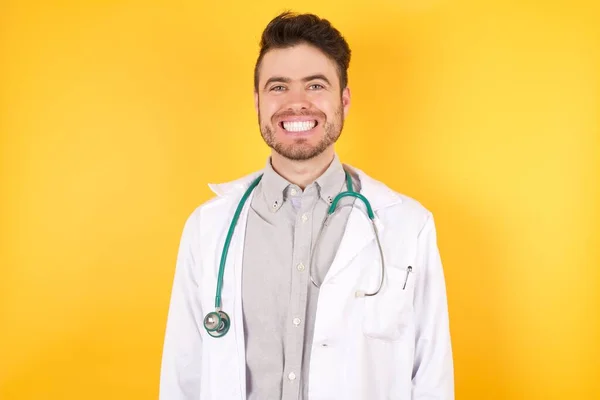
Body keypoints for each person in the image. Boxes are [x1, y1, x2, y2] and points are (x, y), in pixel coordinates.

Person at [159, 11, 454, 400]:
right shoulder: (208, 227)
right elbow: (183, 372)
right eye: (278, 87)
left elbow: (432, 375)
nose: (297, 104)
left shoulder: (407, 225)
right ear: (258, 101)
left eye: (315, 85)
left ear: (343, 100)